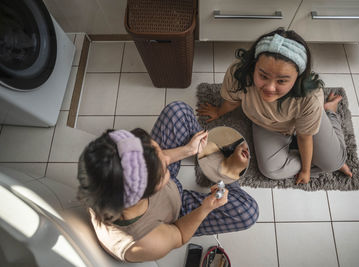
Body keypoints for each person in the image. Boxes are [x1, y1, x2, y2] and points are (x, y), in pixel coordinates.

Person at [77, 101, 259, 262]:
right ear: (146, 192)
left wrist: (188, 150)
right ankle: (226, 169)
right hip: (177, 214)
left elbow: (158, 158)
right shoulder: (144, 242)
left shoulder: (102, 176)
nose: (167, 158)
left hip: (160, 192)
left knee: (177, 111)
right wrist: (206, 208)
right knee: (248, 212)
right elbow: (179, 235)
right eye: (163, 168)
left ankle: (212, 156)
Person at [197, 28, 352, 184]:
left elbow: (305, 138)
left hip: (305, 128)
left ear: (298, 78)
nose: (270, 88)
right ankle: (323, 159)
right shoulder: (239, 73)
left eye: (282, 81)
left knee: (333, 163)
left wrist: (306, 171)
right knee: (270, 170)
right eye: (263, 76)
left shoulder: (310, 98)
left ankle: (329, 112)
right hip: (266, 124)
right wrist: (218, 111)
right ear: (253, 66)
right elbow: (232, 101)